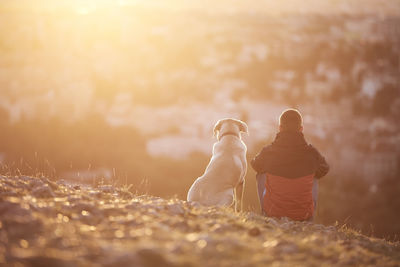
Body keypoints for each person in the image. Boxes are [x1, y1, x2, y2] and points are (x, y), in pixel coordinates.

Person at [251, 109, 329, 221]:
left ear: (280, 128)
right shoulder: (312, 153)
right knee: (315, 175)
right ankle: (310, 216)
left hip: (274, 212)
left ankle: (264, 212)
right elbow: (324, 169)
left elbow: (255, 164)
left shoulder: (269, 151)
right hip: (303, 215)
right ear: (301, 129)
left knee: (260, 174)